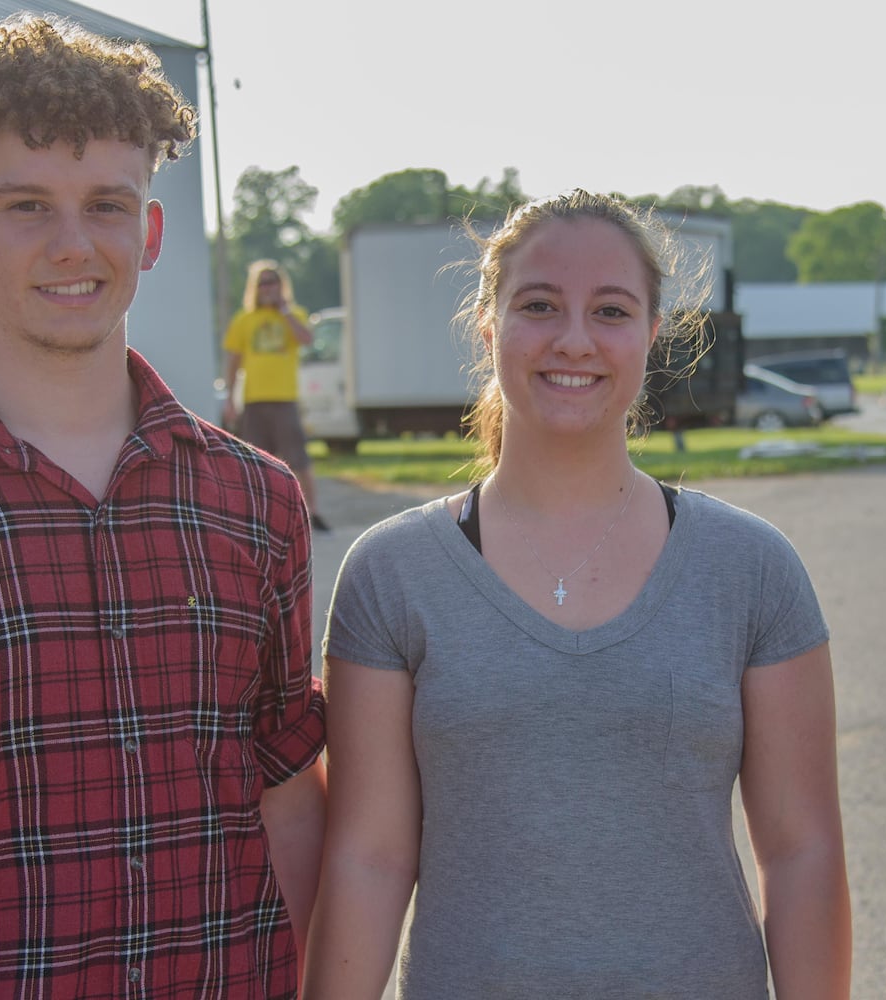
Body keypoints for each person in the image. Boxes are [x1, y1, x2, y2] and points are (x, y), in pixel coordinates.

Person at [304, 190, 851, 998]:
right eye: (539, 305)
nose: (574, 339)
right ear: (488, 327)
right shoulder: (392, 574)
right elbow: (369, 857)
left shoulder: (752, 568)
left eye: (611, 310)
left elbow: (801, 852)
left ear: (653, 333)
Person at [0, 15, 326, 997]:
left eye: (107, 204)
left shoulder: (257, 502)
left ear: (150, 231)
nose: (73, 244)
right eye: (27, 205)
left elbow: (288, 795)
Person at [223, 259, 330, 533]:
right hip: (254, 400)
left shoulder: (294, 313)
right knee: (254, 461)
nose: (267, 287)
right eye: (262, 282)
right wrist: (229, 399)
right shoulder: (244, 319)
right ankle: (258, 517)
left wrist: (285, 312)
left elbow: (306, 339)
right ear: (254, 288)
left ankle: (312, 511)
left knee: (298, 458)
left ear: (281, 286)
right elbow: (234, 361)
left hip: (284, 399)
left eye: (272, 281)